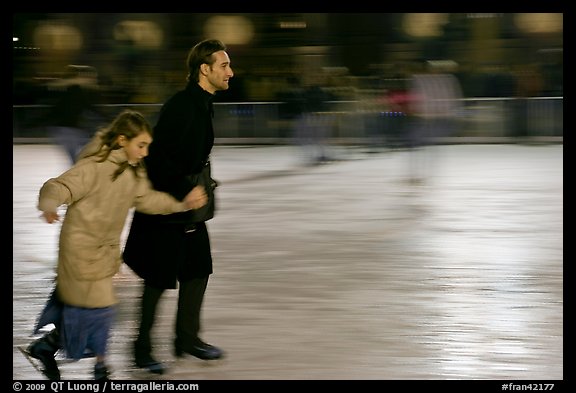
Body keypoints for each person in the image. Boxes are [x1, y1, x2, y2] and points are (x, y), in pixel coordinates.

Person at [25, 110, 208, 381]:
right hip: (79, 250)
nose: (145, 152)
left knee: (87, 310)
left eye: (148, 146)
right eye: (141, 145)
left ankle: (47, 346)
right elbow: (58, 186)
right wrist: (50, 205)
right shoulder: (94, 167)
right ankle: (100, 369)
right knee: (101, 309)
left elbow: (149, 201)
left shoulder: (133, 174)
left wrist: (181, 204)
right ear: (122, 140)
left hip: (105, 252)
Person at [122, 39, 233, 374]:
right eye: (224, 65)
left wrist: (201, 184)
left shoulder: (201, 103)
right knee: (157, 279)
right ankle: (142, 349)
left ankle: (187, 338)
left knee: (198, 268)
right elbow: (154, 157)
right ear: (205, 69)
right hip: (166, 208)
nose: (231, 72)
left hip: (188, 205)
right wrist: (186, 190)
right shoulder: (182, 106)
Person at [43, 64, 109, 164]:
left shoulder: (65, 90)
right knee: (81, 158)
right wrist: (106, 118)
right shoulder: (76, 91)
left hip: (65, 130)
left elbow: (54, 110)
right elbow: (90, 107)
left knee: (79, 158)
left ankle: (80, 174)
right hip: (70, 131)